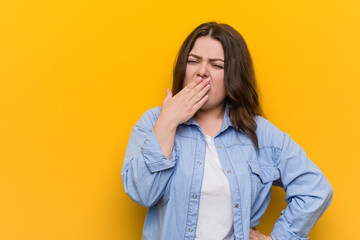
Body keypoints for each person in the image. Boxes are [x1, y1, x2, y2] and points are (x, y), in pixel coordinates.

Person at [121, 22, 333, 240]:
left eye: (217, 65)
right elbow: (141, 193)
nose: (202, 72)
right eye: (193, 61)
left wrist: (277, 238)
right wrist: (168, 121)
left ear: (234, 74)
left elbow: (315, 190)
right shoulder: (154, 121)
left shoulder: (259, 133)